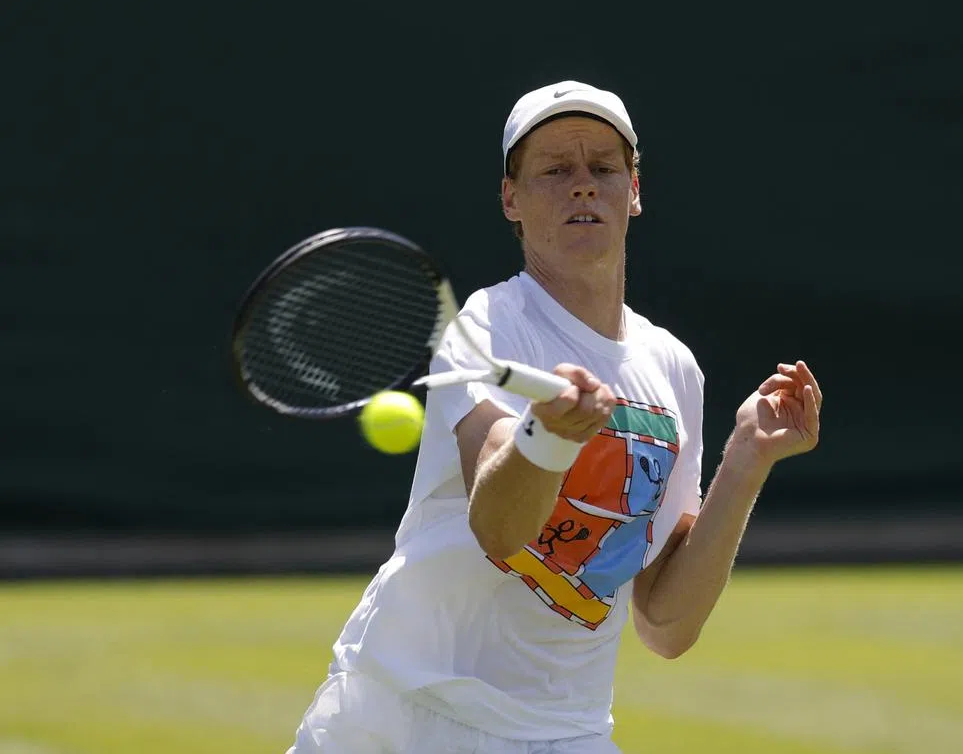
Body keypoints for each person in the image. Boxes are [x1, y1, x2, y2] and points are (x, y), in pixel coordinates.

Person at [287, 79, 822, 754]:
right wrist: (549, 437)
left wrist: (747, 460)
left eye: (603, 168)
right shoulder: (486, 328)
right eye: (554, 170)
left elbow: (666, 625)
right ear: (512, 198)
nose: (582, 185)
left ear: (633, 190)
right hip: (403, 716)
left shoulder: (674, 368)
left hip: (567, 736)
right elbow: (501, 530)